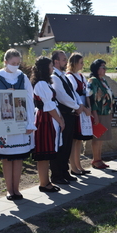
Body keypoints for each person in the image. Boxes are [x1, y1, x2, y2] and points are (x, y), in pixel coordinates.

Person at [0, 49, 36, 200]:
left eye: (18, 63)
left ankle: (17, 188)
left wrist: (30, 123)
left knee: (19, 157)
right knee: (7, 158)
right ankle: (9, 189)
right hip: (4, 124)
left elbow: (29, 99)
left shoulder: (23, 77)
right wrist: (4, 94)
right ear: (5, 62)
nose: (16, 66)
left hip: (20, 122)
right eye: (13, 63)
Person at [30, 56, 64, 193]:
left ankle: (46, 181)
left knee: (47, 153)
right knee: (44, 153)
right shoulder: (41, 84)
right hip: (45, 119)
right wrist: (60, 120)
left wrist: (60, 118)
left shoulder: (45, 83)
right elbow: (48, 106)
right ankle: (44, 183)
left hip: (50, 118)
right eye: (50, 66)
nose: (52, 68)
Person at [50, 50, 85, 185]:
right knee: (61, 145)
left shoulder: (63, 76)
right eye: (64, 59)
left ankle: (65, 171)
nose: (66, 62)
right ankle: (57, 175)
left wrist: (79, 104)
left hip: (71, 114)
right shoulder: (54, 77)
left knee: (67, 145)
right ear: (56, 62)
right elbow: (62, 96)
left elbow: (72, 93)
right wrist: (77, 107)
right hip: (63, 115)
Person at [66, 52, 93, 175]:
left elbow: (86, 93)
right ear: (75, 63)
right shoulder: (70, 76)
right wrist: (82, 108)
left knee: (79, 141)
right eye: (81, 62)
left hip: (84, 110)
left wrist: (89, 107)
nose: (83, 65)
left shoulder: (81, 76)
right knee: (74, 140)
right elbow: (74, 94)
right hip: (77, 110)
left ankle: (79, 165)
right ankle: (73, 167)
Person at [87, 59, 113, 169]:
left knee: (102, 138)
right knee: (97, 137)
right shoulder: (93, 81)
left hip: (106, 112)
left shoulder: (103, 81)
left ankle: (99, 159)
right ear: (97, 69)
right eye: (103, 67)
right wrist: (95, 114)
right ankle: (95, 160)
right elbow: (92, 99)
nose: (105, 69)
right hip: (98, 113)